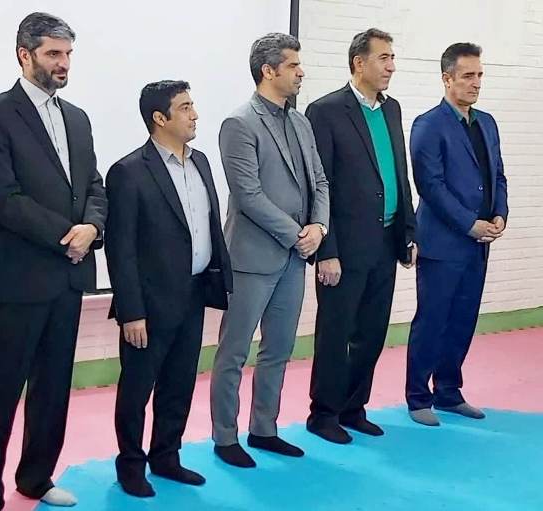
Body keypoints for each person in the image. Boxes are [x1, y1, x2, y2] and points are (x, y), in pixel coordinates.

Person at [0, 12, 107, 510]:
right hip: (20, 280)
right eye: (53, 54)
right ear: (25, 55)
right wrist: (67, 235)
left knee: (53, 387)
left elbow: (93, 186)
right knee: (1, 390)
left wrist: (92, 228)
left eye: (68, 54)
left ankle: (37, 478)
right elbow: (3, 198)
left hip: (69, 277)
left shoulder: (78, 118)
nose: (63, 63)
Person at [106, 80, 233, 497]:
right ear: (159, 118)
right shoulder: (128, 172)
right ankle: (130, 466)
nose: (194, 114)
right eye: (185, 108)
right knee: (137, 389)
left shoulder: (201, 163)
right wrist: (131, 312)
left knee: (179, 384)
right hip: (149, 303)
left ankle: (166, 456)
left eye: (193, 105)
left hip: (194, 293)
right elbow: (121, 249)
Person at [210, 33, 329, 468]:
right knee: (234, 352)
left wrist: (319, 227)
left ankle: (264, 429)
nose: (301, 72)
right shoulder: (239, 123)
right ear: (268, 70)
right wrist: (297, 234)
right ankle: (225, 437)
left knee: (278, 349)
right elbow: (248, 195)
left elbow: (320, 181)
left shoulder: (301, 122)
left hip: (295, 257)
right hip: (252, 258)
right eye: (293, 65)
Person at [305, 28, 417, 444]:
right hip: (344, 247)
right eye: (384, 58)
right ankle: (324, 414)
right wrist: (326, 250)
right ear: (359, 62)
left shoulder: (392, 109)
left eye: (392, 58)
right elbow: (320, 185)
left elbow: (399, 173)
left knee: (371, 332)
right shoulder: (326, 111)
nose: (391, 66)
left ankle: (354, 408)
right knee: (336, 334)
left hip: (386, 241)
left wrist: (408, 231)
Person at [405, 43, 508, 427]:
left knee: (463, 319)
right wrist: (469, 223)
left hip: (478, 244)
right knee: (433, 320)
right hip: (443, 243)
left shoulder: (487, 123)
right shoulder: (428, 125)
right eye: (467, 75)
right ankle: (418, 397)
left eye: (479, 75)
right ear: (447, 79)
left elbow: (498, 174)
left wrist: (500, 214)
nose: (476, 82)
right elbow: (430, 186)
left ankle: (449, 391)